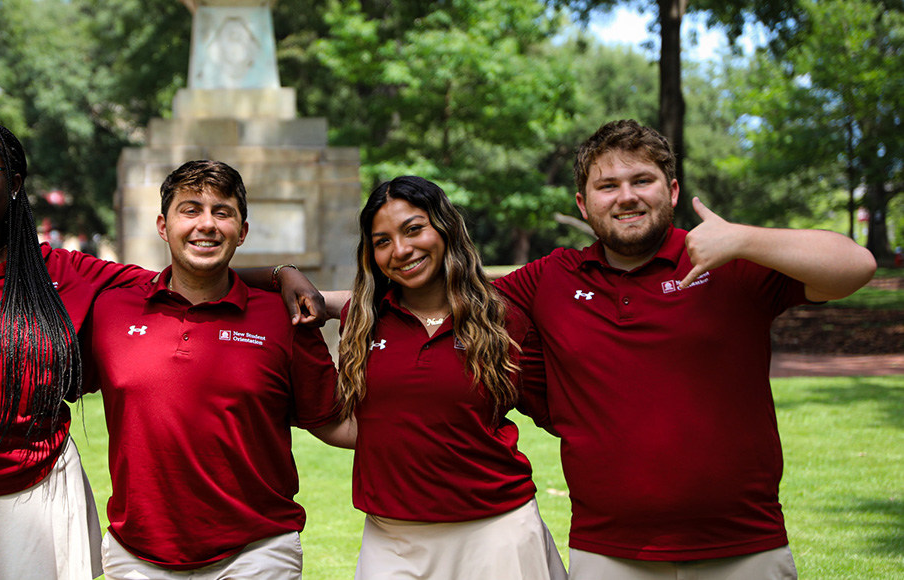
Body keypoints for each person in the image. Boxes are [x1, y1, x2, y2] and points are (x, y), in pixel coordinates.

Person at [0, 121, 321, 580]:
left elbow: (186, 274)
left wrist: (280, 274)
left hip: (28, 497)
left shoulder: (65, 271)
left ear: (15, 183)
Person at [490, 119, 878, 579]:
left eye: (642, 180)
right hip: (609, 550)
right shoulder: (552, 278)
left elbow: (857, 267)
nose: (626, 196)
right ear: (583, 202)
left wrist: (746, 239)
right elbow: (456, 307)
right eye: (607, 185)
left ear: (672, 191)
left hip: (743, 545)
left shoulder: (731, 259)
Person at [83, 160, 353, 580]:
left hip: (256, 553)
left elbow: (331, 420)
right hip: (136, 555)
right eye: (190, 210)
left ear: (242, 231)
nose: (206, 224)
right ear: (162, 224)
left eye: (222, 212)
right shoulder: (111, 309)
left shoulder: (285, 316)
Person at [333, 176, 567, 579]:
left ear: (444, 228)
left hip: (496, 530)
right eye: (382, 240)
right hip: (392, 539)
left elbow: (558, 412)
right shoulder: (360, 322)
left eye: (413, 229)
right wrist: (282, 274)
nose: (401, 250)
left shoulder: (503, 320)